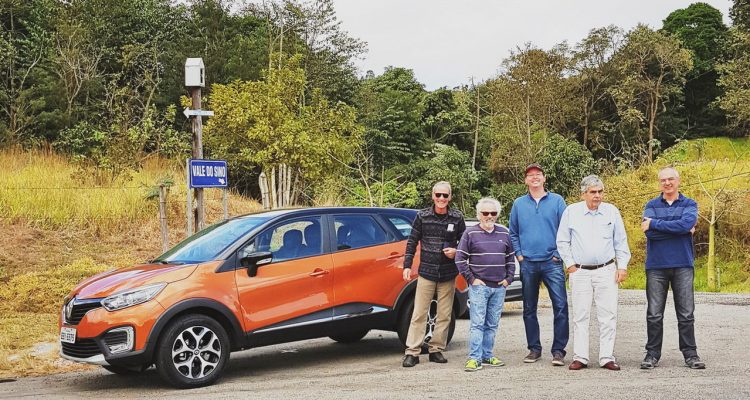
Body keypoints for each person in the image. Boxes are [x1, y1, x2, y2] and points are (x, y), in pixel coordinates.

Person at [556, 175, 630, 371]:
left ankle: (606, 357)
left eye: (600, 192)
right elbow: (562, 241)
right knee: (580, 315)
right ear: (583, 194)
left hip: (606, 270)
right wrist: (570, 264)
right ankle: (580, 357)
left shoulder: (611, 211)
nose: (597, 195)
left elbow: (620, 241)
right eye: (592, 192)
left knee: (608, 315)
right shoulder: (571, 212)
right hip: (580, 271)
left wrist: (622, 266)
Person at [640, 167, 705, 370]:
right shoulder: (651, 205)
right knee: (654, 314)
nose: (667, 183)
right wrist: (682, 230)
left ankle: (690, 354)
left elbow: (685, 224)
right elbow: (650, 234)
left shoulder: (689, 204)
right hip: (656, 266)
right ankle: (652, 354)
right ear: (659, 183)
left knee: (686, 314)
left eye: (670, 179)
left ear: (678, 181)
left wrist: (655, 224)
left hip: (683, 264)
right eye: (663, 180)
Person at [509, 163, 569, 366]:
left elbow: (566, 229)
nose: (534, 177)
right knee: (529, 308)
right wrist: (519, 255)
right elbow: (513, 232)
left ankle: (558, 351)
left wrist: (558, 254)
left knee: (560, 306)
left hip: (552, 263)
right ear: (525, 180)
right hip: (528, 263)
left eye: (538, 174)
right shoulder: (518, 204)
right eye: (530, 175)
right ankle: (534, 349)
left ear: (544, 178)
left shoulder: (557, 201)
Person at [401, 181, 466, 367]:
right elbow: (412, 241)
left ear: (450, 197)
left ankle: (436, 349)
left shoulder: (457, 217)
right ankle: (412, 352)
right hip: (426, 272)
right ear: (433, 196)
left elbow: (465, 242)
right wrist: (407, 265)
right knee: (419, 313)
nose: (441, 198)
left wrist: (456, 252)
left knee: (444, 314)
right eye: (438, 195)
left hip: (448, 273)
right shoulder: (422, 216)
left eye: (445, 195)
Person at [455, 197, 515, 372]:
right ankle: (474, 358)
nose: (489, 216)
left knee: (492, 323)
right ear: (479, 214)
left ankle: (487, 355)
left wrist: (508, 279)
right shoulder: (470, 233)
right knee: (477, 323)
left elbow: (510, 258)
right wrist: (472, 279)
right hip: (479, 287)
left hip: (499, 287)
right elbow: (460, 258)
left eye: (493, 213)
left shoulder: (504, 233)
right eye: (485, 213)